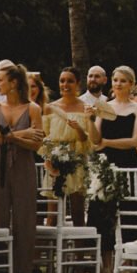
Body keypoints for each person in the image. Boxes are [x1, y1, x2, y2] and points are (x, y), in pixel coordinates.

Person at [0, 64, 43, 273]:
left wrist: (10, 137)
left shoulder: (33, 109)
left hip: (23, 164)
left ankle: (22, 270)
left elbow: (36, 144)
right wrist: (22, 134)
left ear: (14, 82)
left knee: (24, 217)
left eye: (0, 80)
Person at [89, 66, 137, 269]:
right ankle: (106, 266)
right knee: (102, 214)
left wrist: (107, 142)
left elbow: (135, 141)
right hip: (105, 164)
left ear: (131, 84)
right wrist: (90, 120)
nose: (118, 84)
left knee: (129, 212)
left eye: (123, 80)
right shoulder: (103, 107)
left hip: (127, 163)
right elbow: (95, 139)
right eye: (115, 80)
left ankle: (128, 265)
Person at [41, 66, 96, 225]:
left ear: (78, 83)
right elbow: (44, 137)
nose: (65, 84)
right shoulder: (50, 108)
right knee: (52, 213)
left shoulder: (85, 108)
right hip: (54, 161)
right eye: (62, 81)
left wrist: (78, 128)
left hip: (77, 160)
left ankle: (80, 241)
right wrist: (48, 160)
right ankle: (52, 241)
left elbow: (88, 141)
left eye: (70, 81)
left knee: (78, 212)